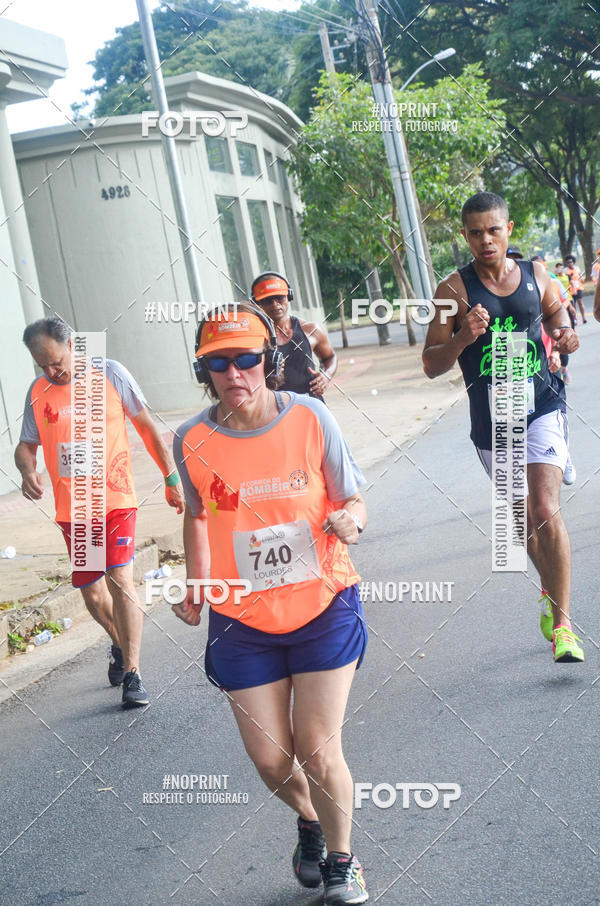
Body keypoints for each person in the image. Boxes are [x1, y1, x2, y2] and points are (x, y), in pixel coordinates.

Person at [172, 302, 369, 904]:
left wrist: (349, 521)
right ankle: (310, 818)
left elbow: (354, 499)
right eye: (219, 363)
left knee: (316, 745)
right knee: (270, 760)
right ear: (204, 370)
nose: (235, 373)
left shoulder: (309, 417)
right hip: (242, 617)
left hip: (322, 602)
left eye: (247, 359)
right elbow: (199, 519)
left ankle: (343, 860)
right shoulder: (191, 439)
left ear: (268, 360)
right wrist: (197, 585)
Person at [423, 191, 583, 663]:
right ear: (465, 236)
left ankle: (564, 624)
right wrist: (462, 338)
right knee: (520, 520)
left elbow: (557, 315)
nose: (485, 240)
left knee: (545, 506)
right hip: (494, 417)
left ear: (508, 229)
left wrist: (564, 333)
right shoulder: (453, 291)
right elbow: (431, 364)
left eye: (493, 230)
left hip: (542, 403)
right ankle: (548, 589)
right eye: (475, 233)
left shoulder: (535, 274)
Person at [14, 317, 184, 708]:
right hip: (74, 510)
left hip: (115, 500)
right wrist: (27, 471)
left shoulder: (110, 373)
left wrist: (172, 479)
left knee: (120, 577)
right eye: (42, 365)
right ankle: (121, 647)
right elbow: (26, 446)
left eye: (56, 362)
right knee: (92, 593)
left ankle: (134, 673)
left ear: (72, 345)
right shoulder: (39, 391)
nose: (51, 371)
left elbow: (146, 428)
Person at [250, 271, 337, 399]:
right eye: (267, 300)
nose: (275, 304)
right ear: (257, 303)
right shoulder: (253, 339)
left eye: (279, 297)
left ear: (289, 296)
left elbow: (330, 357)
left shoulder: (311, 330)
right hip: (275, 411)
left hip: (312, 407)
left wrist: (326, 376)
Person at [564, 254, 586, 323]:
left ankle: (583, 317)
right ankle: (575, 319)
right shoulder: (565, 270)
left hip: (578, 287)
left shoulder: (577, 268)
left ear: (573, 262)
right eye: (567, 262)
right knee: (574, 304)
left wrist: (582, 279)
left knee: (580, 303)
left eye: (570, 262)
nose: (569, 263)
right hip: (571, 289)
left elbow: (580, 276)